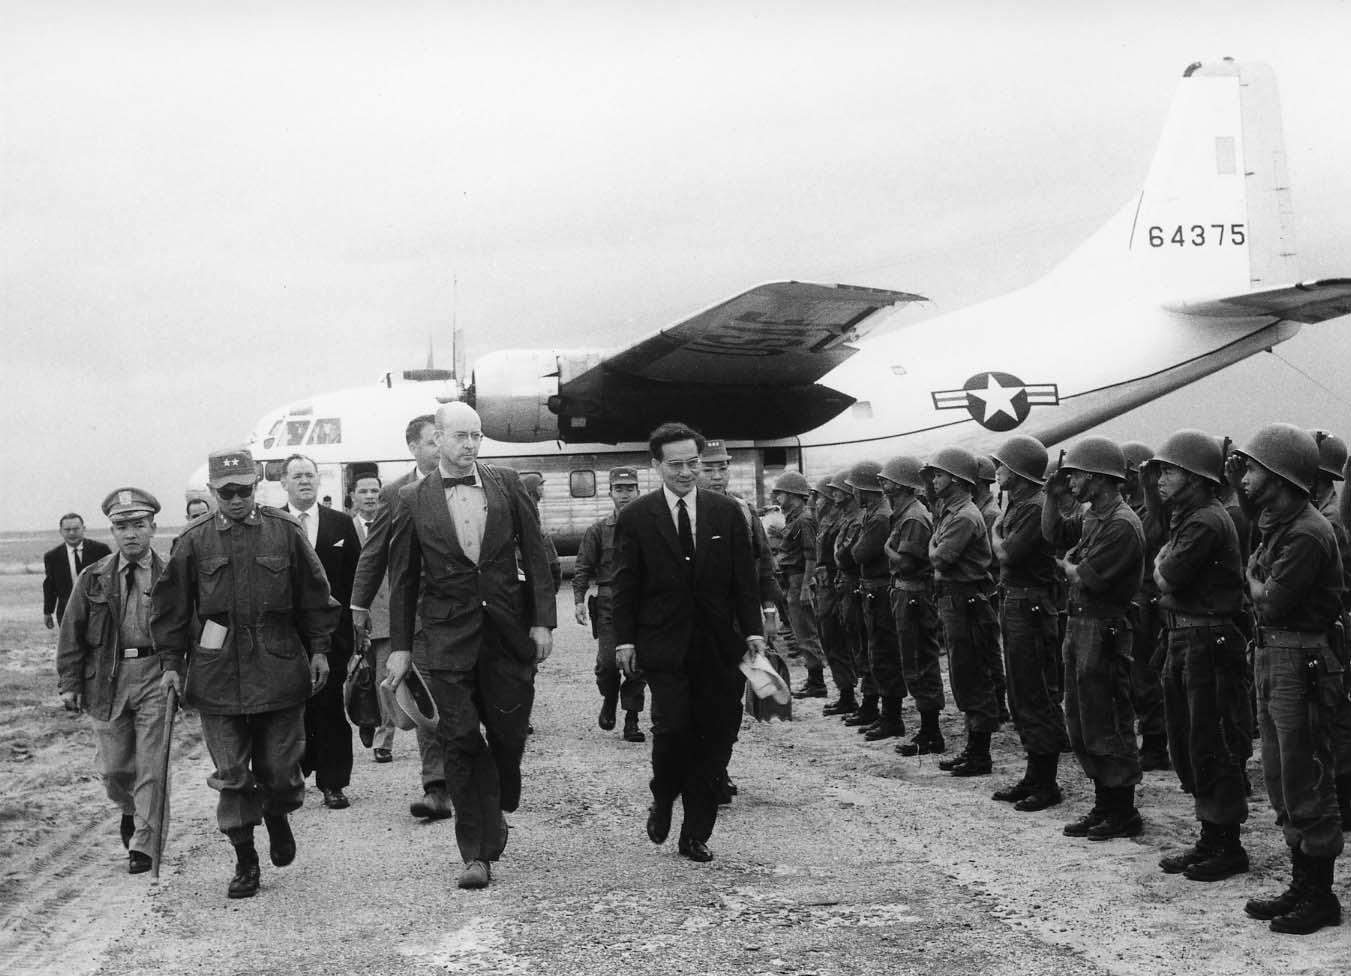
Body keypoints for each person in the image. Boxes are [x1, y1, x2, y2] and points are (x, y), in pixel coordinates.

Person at [150, 447, 339, 899]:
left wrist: (319, 650)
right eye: (226, 492)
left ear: (257, 486)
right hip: (217, 674)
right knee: (232, 774)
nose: (236, 500)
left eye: (244, 490)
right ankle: (245, 861)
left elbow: (315, 596)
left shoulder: (285, 531)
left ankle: (277, 812)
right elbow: (171, 609)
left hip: (278, 668)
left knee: (280, 771)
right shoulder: (193, 540)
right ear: (212, 491)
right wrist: (171, 665)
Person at [385, 402, 556, 890]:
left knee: (508, 734)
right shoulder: (412, 499)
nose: (470, 445)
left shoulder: (508, 484)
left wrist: (542, 622)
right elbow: (403, 580)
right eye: (460, 436)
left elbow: (537, 557)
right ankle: (476, 853)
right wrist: (401, 647)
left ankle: (499, 791)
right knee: (459, 739)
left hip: (506, 634)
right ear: (437, 439)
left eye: (476, 436)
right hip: (447, 638)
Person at [613, 422, 765, 864]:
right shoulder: (637, 517)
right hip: (664, 645)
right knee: (672, 730)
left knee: (716, 736)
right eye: (675, 464)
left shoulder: (726, 512)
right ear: (656, 465)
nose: (686, 472)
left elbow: (745, 580)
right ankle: (663, 796)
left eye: (693, 463)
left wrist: (753, 632)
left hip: (720, 646)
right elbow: (625, 585)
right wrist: (624, 640)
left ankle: (696, 832)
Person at [1235, 423, 1344, 934]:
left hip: (1299, 662)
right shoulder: (1280, 523)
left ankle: (1319, 896)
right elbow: (1260, 588)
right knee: (1281, 777)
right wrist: (1256, 583)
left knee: (1306, 777)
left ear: (1279, 476)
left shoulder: (1306, 532)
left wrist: (1254, 582)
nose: (1245, 477)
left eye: (1253, 469)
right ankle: (1303, 885)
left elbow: (1270, 600)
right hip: (1277, 656)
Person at [1143, 430, 1250, 882]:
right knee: (1190, 739)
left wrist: (1162, 567)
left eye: (1169, 471)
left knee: (1213, 741)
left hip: (1206, 642)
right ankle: (1211, 836)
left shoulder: (1205, 521)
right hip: (1189, 637)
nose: (1160, 479)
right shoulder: (1189, 517)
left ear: (1193, 476)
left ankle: (1227, 845)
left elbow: (1166, 577)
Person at [56, 488, 170, 875]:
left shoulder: (171, 575)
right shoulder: (93, 577)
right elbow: (71, 632)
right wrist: (70, 682)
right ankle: (129, 808)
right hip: (107, 680)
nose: (131, 533)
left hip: (156, 678)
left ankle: (145, 844)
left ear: (153, 527)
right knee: (114, 770)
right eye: (122, 526)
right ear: (112, 531)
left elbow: (191, 626)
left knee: (152, 767)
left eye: (139, 524)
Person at [1042, 436, 1146, 840]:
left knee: (1108, 717)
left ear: (1099, 478)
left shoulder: (1121, 523)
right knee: (1082, 718)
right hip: (1083, 625)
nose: (1070, 482)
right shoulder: (1094, 517)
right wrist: (1051, 497)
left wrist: (1069, 568)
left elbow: (1087, 577)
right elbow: (1055, 535)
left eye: (1076, 475)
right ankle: (1105, 804)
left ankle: (1122, 809)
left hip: (1103, 629)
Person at [350, 415, 449, 817]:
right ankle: (437, 788)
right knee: (426, 698)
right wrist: (359, 605)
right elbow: (374, 552)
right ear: (413, 448)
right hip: (420, 617)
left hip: (467, 614)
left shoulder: (473, 483)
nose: (440, 447)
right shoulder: (395, 494)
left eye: (443, 439)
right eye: (432, 441)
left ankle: (478, 777)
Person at [696, 438, 779, 804]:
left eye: (722, 468)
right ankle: (699, 770)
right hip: (694, 624)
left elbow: (764, 565)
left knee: (730, 702)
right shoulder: (681, 512)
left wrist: (768, 614)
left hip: (735, 624)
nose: (717, 476)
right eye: (709, 469)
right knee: (696, 700)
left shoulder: (744, 511)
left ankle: (719, 768)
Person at [989, 435, 1069, 810]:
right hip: (1017, 603)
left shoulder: (1034, 506)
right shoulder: (1020, 504)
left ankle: (1046, 783)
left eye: (1002, 466)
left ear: (1019, 471)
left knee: (1035, 692)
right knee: (1021, 693)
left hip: (1030, 606)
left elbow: (1007, 555)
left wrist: (995, 533)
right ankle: (1034, 776)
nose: (997, 471)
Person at [279, 454, 361, 809]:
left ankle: (333, 782)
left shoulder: (340, 524)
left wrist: (357, 627)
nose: (304, 481)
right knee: (289, 709)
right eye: (297, 476)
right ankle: (291, 778)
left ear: (318, 480)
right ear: (284, 482)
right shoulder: (274, 524)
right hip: (286, 636)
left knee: (329, 706)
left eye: (309, 475)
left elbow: (356, 578)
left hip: (332, 635)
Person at [924, 448, 1000, 777]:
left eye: (939, 475)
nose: (934, 480)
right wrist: (934, 549)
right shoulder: (953, 512)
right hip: (957, 601)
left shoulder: (965, 516)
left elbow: (940, 558)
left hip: (967, 602)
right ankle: (974, 747)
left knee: (973, 675)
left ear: (956, 479)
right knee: (962, 675)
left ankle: (980, 753)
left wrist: (932, 548)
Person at [574, 466, 647, 743]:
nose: (625, 495)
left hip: (642, 602)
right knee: (607, 664)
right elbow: (583, 567)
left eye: (630, 489)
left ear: (638, 492)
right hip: (609, 602)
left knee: (637, 665)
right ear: (610, 493)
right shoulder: (598, 531)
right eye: (619, 489)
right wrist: (579, 601)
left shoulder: (650, 528)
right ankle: (610, 697)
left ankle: (632, 719)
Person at [880, 456, 947, 757]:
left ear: (900, 484)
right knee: (914, 661)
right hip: (908, 594)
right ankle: (928, 730)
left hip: (914, 596)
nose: (882, 484)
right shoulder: (906, 513)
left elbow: (906, 563)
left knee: (920, 660)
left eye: (887, 480)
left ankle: (931, 733)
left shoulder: (913, 517)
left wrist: (887, 549)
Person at [847, 461, 907, 741]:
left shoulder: (880, 517)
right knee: (874, 652)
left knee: (885, 654)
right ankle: (877, 710)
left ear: (864, 490)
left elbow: (857, 554)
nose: (853, 493)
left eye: (855, 488)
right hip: (873, 589)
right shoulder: (874, 513)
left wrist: (850, 548)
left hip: (880, 591)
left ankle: (892, 717)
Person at [1122, 440, 1171, 771]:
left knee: (1144, 673)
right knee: (1134, 674)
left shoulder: (1154, 510)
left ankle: (1155, 744)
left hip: (1147, 600)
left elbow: (1151, 533)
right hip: (1133, 597)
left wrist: (1150, 487)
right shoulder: (1134, 508)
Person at [771, 472, 827, 699]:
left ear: (792, 495)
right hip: (792, 579)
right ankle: (814, 679)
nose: (777, 498)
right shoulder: (794, 518)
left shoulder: (803, 520)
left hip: (799, 579)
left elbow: (811, 556)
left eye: (781, 494)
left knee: (806, 632)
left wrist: (805, 587)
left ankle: (817, 682)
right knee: (801, 631)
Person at [816, 471, 860, 717]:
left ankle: (849, 695)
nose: (818, 501)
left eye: (822, 496)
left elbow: (843, 556)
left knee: (839, 639)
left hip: (837, 587)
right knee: (830, 640)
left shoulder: (846, 520)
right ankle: (845, 693)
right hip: (828, 587)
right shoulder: (831, 521)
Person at [349, 470, 384, 755]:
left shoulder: (391, 525)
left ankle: (384, 741)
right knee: (361, 673)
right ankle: (366, 717)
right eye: (364, 491)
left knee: (386, 676)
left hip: (386, 614)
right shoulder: (345, 529)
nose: (370, 496)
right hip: (355, 615)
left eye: (375, 491)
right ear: (353, 496)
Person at [43, 513, 111, 629]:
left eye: (76, 529)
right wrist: (48, 612)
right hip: (67, 611)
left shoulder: (101, 550)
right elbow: (50, 586)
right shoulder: (52, 556)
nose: (72, 533)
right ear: (61, 531)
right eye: (67, 530)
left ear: (83, 529)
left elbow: (112, 580)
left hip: (98, 611)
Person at [521, 473, 563, 595]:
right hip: (539, 550)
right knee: (554, 574)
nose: (542, 489)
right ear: (532, 489)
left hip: (540, 548)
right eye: (540, 486)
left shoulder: (531, 503)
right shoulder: (529, 505)